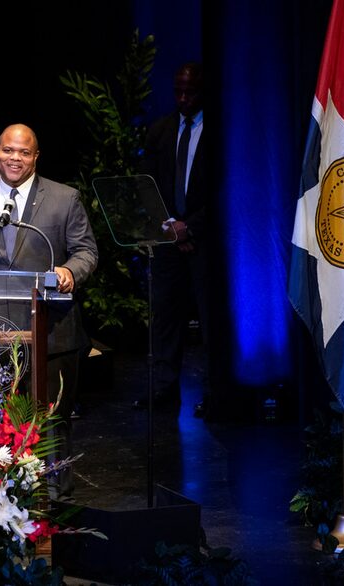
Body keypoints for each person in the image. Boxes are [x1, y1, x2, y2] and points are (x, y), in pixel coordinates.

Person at [0, 124, 98, 497]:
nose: (15, 159)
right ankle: (1, 502)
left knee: (52, 423)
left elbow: (86, 252)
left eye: (24, 153)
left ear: (35, 157)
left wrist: (68, 272)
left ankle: (55, 508)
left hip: (50, 329)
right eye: (9, 151)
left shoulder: (64, 199)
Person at [140, 62, 208, 414]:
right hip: (169, 240)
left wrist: (190, 226)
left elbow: (223, 192)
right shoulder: (161, 130)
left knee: (211, 321)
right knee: (166, 318)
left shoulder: (220, 132)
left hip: (205, 243)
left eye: (190, 91)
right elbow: (150, 185)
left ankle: (216, 394)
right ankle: (165, 390)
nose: (183, 98)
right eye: (178, 91)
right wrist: (170, 226)